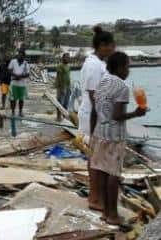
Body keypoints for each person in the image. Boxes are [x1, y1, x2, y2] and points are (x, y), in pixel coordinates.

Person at [90, 52, 145, 225]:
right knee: (113, 174)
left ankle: (106, 213)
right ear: (120, 67)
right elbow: (117, 115)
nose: (129, 70)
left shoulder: (102, 82)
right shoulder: (122, 87)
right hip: (114, 137)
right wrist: (136, 113)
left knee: (103, 174)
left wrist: (92, 134)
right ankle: (113, 215)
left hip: (99, 133)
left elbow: (94, 110)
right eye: (127, 66)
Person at [80, 26, 115, 211]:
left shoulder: (100, 63)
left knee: (99, 157)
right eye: (111, 46)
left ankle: (98, 195)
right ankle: (94, 198)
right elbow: (95, 97)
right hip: (94, 117)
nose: (113, 49)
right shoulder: (93, 65)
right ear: (102, 45)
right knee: (96, 157)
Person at [8, 50, 30, 117]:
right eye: (18, 55)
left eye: (21, 55)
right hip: (14, 83)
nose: (19, 56)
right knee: (13, 99)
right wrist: (15, 75)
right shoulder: (13, 61)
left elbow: (28, 74)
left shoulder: (26, 64)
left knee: (21, 99)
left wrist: (20, 77)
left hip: (22, 84)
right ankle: (13, 112)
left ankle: (20, 112)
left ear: (24, 56)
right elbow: (9, 70)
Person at [54, 53, 72, 120]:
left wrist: (70, 88)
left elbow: (68, 77)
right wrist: (61, 88)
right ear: (63, 58)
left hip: (68, 87)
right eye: (66, 57)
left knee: (66, 103)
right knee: (60, 102)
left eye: (68, 57)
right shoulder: (60, 66)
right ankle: (58, 116)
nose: (68, 59)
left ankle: (64, 117)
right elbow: (59, 77)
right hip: (61, 87)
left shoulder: (68, 66)